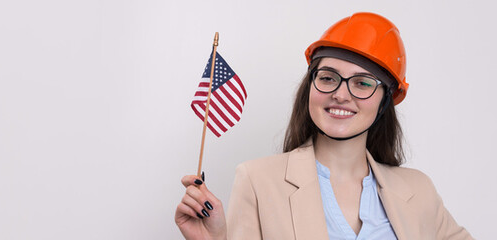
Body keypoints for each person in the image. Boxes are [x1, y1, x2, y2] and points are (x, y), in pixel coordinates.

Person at [175, 12, 473, 240]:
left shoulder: (419, 190)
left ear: (385, 101)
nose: (341, 94)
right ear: (311, 87)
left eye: (362, 83)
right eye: (328, 77)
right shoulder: (257, 180)